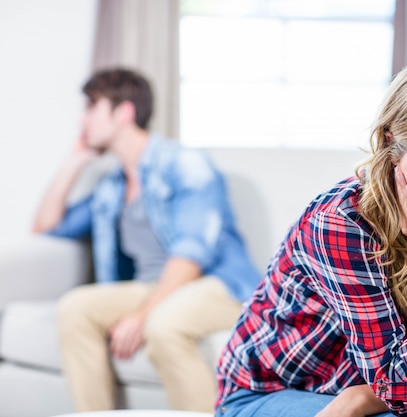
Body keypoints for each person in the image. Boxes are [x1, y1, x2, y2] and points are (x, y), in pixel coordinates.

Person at [215, 51, 407, 417]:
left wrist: (362, 399)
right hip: (270, 393)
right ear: (390, 144)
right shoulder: (343, 220)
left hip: (375, 400)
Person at [31, 68, 261, 412]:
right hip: (156, 286)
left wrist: (141, 316)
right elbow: (46, 227)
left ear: (123, 112)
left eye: (91, 107)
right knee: (75, 308)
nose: (83, 120)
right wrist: (74, 161)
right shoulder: (112, 186)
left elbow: (191, 255)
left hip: (219, 285)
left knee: (163, 325)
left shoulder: (184, 163)